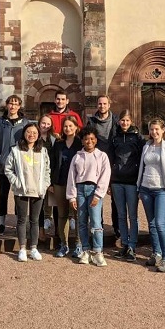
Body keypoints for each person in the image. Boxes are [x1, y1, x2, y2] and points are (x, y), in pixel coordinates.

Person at [3, 123, 51, 262]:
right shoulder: (16, 150)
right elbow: (8, 169)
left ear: (38, 135)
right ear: (24, 133)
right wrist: (16, 182)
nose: (31, 135)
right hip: (22, 190)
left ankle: (34, 248)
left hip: (38, 190)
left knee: (35, 220)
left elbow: (47, 170)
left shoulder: (42, 151)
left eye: (34, 132)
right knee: (22, 220)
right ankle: (22, 248)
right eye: (29, 132)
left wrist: (45, 184)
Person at [66, 126, 111, 267]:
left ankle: (98, 252)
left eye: (92, 139)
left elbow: (105, 175)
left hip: (94, 189)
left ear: (96, 140)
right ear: (82, 141)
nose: (89, 141)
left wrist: (98, 194)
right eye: (86, 139)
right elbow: (71, 177)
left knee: (96, 222)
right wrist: (72, 197)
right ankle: (85, 250)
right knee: (82, 222)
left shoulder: (102, 156)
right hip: (80, 189)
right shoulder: (77, 156)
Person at [138, 118, 165, 273]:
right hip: (146, 189)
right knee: (152, 224)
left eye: (157, 129)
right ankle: (157, 253)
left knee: (161, 223)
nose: (154, 132)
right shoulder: (146, 146)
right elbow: (143, 166)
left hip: (161, 189)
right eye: (152, 129)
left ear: (163, 131)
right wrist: (139, 187)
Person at [0, 95, 27, 236]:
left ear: (19, 106)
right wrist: (0, 160)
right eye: (11, 103)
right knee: (3, 195)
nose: (13, 106)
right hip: (3, 165)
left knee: (19, 195)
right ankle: (1, 223)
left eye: (16, 104)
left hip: (19, 166)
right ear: (7, 105)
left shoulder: (25, 123)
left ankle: (19, 224)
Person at [110, 109, 144, 262]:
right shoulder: (114, 137)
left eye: (127, 120)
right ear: (119, 121)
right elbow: (110, 158)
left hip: (131, 181)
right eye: (122, 120)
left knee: (132, 215)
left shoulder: (137, 137)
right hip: (117, 181)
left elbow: (142, 159)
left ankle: (132, 245)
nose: (124, 123)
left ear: (131, 122)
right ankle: (124, 244)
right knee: (121, 215)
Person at [49, 116, 83, 258]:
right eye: (65, 126)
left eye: (70, 126)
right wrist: (50, 182)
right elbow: (52, 163)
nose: (68, 129)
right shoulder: (58, 143)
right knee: (62, 215)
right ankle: (64, 245)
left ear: (76, 127)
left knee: (78, 215)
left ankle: (79, 244)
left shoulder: (81, 143)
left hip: (76, 183)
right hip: (60, 182)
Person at [86, 95, 119, 239]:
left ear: (109, 105)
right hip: (96, 163)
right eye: (100, 103)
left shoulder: (116, 121)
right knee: (96, 197)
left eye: (105, 103)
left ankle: (117, 230)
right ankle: (97, 229)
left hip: (113, 163)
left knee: (115, 199)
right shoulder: (91, 122)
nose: (102, 106)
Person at [37, 114, 58, 240]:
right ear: (39, 123)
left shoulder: (54, 138)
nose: (45, 126)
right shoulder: (34, 137)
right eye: (43, 123)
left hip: (51, 174)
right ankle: (41, 231)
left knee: (55, 204)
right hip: (38, 175)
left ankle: (57, 231)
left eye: (48, 124)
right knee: (39, 204)